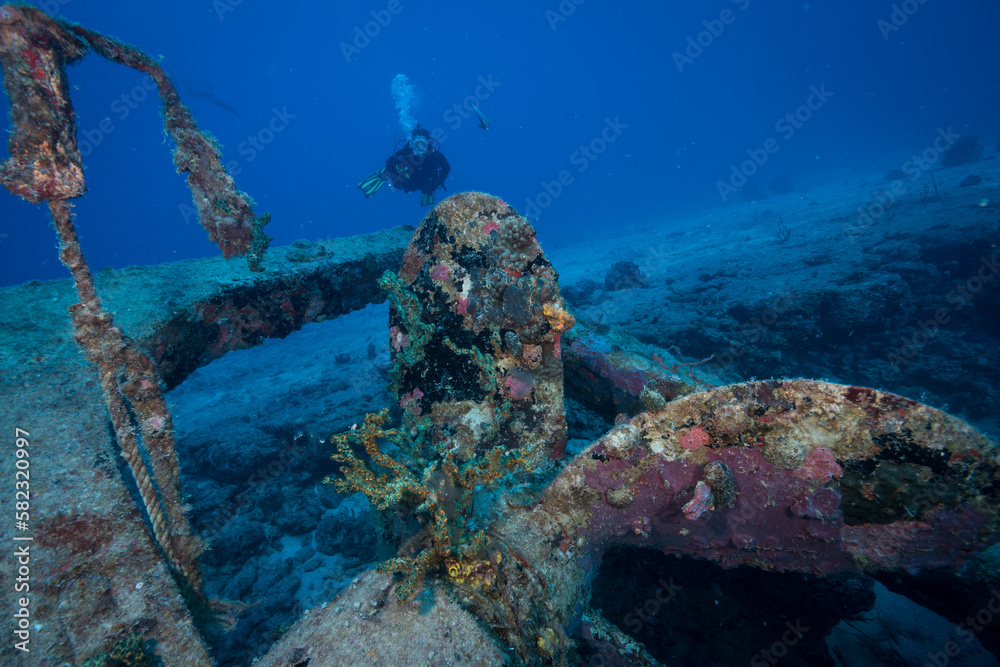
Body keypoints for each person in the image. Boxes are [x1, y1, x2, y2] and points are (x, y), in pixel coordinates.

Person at [358, 126, 450, 206]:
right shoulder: (406, 153)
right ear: (412, 144)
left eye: (423, 144)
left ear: (428, 144)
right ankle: (384, 175)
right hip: (408, 183)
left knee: (430, 188)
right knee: (393, 174)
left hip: (426, 185)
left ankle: (428, 192)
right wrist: (397, 175)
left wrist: (438, 182)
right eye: (417, 144)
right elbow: (390, 162)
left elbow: (447, 167)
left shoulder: (435, 156)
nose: (420, 148)